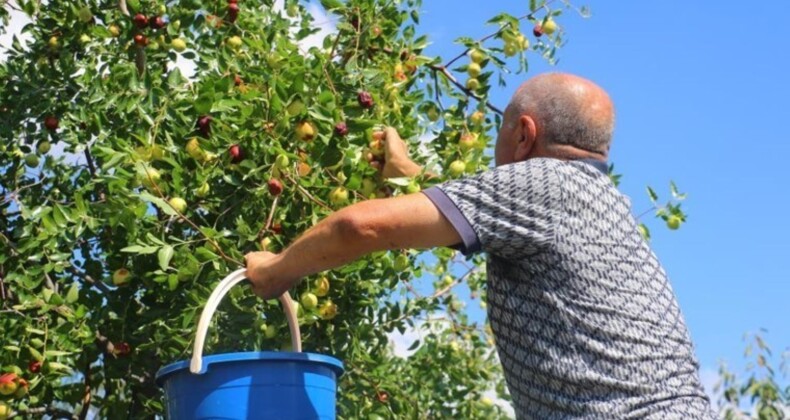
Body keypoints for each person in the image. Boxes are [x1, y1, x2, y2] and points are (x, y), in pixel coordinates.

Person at [245, 73, 714, 419]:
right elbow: (486, 215)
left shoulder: (544, 184)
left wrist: (277, 269)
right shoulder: (596, 199)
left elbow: (359, 227)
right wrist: (411, 174)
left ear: (524, 135)